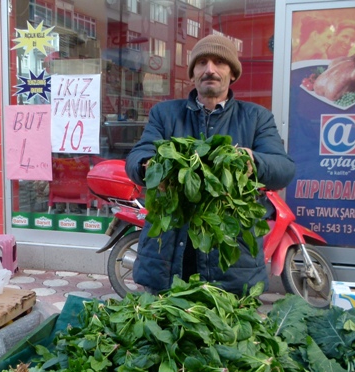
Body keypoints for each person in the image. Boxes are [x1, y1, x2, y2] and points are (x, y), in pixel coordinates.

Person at [125, 34, 295, 296]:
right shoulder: (165, 113)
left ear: (232, 73)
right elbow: (138, 155)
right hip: (168, 261)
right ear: (193, 74)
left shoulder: (256, 118)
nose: (210, 70)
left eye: (219, 62)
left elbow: (283, 169)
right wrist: (149, 166)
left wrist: (254, 162)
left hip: (232, 265)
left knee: (227, 332)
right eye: (202, 62)